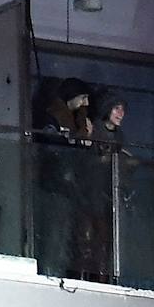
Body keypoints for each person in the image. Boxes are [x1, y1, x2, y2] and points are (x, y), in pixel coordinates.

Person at [34, 77, 93, 277]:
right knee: (54, 234)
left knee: (65, 235)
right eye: (83, 97)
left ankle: (59, 273)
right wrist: (76, 144)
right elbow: (50, 144)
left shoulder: (76, 120)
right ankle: (50, 273)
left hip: (68, 188)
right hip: (53, 186)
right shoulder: (53, 117)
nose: (85, 103)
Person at [75, 92, 129, 282]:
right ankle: (81, 278)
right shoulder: (95, 128)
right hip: (88, 193)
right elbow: (84, 160)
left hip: (106, 196)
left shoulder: (119, 135)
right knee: (86, 240)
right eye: (117, 108)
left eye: (123, 109)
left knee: (103, 242)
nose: (121, 113)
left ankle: (102, 279)